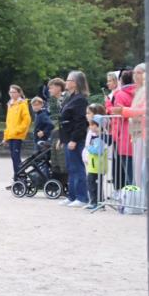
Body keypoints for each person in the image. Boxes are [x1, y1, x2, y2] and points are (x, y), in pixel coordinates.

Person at [59, 71, 90, 207]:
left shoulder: (80, 100)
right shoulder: (69, 98)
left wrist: (74, 139)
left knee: (78, 167)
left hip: (75, 138)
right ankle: (72, 195)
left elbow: (80, 122)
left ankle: (81, 196)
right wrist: (62, 138)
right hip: (67, 137)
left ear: (75, 83)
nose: (66, 82)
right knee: (71, 168)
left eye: (68, 80)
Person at [106, 68, 137, 191]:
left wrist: (114, 136)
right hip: (136, 134)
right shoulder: (139, 93)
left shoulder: (120, 95)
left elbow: (116, 118)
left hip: (123, 136)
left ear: (120, 81)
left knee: (127, 171)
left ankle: (131, 198)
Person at [0, 85, 31, 175]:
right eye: (10, 92)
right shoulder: (10, 104)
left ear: (19, 93)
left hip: (17, 135)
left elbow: (27, 120)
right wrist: (5, 137)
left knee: (16, 157)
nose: (12, 94)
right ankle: (17, 177)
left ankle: (20, 177)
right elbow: (8, 123)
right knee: (14, 157)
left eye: (14, 92)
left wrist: (18, 130)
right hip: (11, 135)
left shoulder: (22, 104)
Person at [84, 105, 108, 210]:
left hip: (97, 166)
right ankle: (95, 201)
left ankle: (97, 202)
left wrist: (88, 147)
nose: (90, 127)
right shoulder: (96, 136)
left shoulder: (100, 138)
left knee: (94, 184)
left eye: (93, 125)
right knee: (92, 183)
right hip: (94, 165)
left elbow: (97, 150)